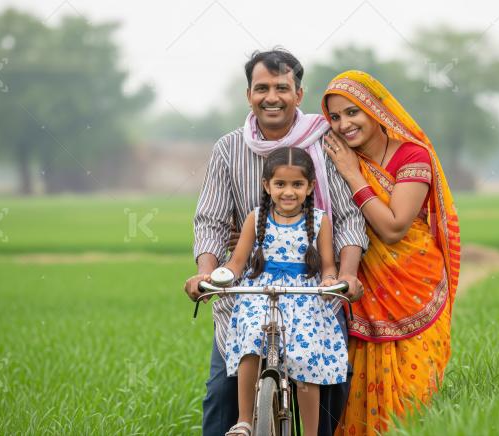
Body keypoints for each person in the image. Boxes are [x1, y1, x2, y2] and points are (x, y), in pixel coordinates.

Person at [183, 49, 368, 436]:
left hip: (315, 291)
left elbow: (349, 218)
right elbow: (211, 220)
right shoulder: (227, 149)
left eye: (282, 87)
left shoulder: (325, 143)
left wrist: (345, 275)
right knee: (221, 397)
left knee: (333, 382)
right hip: (249, 295)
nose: (272, 96)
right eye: (262, 87)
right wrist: (206, 274)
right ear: (248, 94)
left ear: (298, 94)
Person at [320, 70, 461, 434]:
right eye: (335, 117)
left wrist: (354, 175)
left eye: (352, 112)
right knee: (355, 408)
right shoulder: (333, 156)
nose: (344, 124)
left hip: (415, 290)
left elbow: (395, 227)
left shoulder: (413, 155)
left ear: (374, 109)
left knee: (412, 410)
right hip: (363, 297)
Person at [217, 147, 348, 436]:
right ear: (267, 186)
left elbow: (327, 265)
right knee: (252, 336)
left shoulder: (320, 220)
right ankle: (244, 421)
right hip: (261, 294)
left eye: (297, 184)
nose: (288, 192)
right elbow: (237, 262)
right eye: (280, 184)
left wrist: (329, 281)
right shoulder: (255, 219)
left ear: (310, 186)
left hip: (303, 297)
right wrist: (221, 277)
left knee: (304, 357)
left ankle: (311, 433)